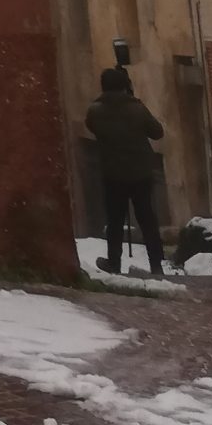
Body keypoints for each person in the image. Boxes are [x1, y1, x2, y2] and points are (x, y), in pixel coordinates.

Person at [86, 66, 166, 277]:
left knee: (114, 220)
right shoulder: (137, 109)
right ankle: (156, 265)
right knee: (147, 219)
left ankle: (114, 262)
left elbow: (91, 126)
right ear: (125, 86)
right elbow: (157, 132)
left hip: (112, 173)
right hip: (141, 172)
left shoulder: (95, 111)